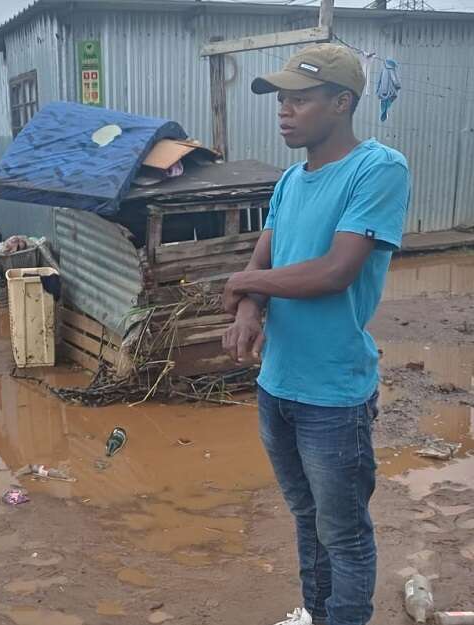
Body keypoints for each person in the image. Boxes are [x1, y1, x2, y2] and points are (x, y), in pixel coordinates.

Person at [221, 44, 410, 625]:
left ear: (342, 102)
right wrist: (249, 305)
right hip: (278, 385)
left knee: (344, 533)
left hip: (333, 393)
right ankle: (319, 613)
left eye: (299, 100)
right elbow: (268, 250)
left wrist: (244, 281)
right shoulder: (290, 180)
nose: (284, 111)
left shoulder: (378, 169)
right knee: (307, 519)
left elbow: (335, 271)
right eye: (281, 100)